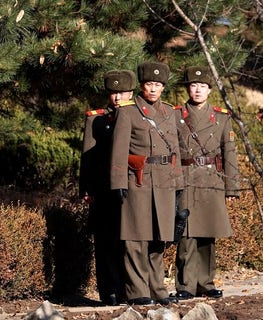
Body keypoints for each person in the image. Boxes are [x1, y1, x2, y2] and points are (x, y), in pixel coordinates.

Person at [110, 61, 183, 306]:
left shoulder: (169, 112)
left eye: (158, 85)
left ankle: (158, 288)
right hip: (137, 181)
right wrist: (118, 181)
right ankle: (136, 291)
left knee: (159, 240)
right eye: (149, 84)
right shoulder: (128, 111)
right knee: (135, 239)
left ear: (163, 87)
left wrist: (179, 183)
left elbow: (176, 152)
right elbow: (118, 150)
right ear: (142, 85)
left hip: (163, 181)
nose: (153, 89)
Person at [172, 66, 239, 300]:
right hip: (186, 178)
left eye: (202, 86)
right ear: (188, 88)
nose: (197, 90)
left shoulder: (221, 118)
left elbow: (229, 153)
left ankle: (206, 283)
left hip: (212, 180)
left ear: (209, 90)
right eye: (193, 85)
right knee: (186, 234)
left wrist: (232, 187)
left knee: (208, 235)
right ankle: (185, 285)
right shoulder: (175, 115)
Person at [79, 69, 136, 306]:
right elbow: (87, 158)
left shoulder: (139, 115)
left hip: (131, 189)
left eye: (122, 92)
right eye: (113, 93)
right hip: (103, 191)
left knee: (129, 242)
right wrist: (86, 189)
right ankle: (109, 291)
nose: (117, 97)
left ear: (131, 92)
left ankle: (129, 290)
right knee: (105, 242)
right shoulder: (97, 118)